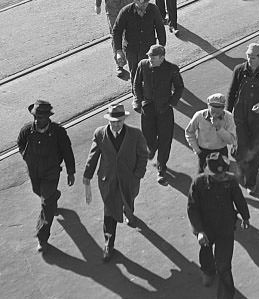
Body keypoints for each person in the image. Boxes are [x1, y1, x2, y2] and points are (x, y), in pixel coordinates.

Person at [83, 103, 150, 262]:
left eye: (118, 121)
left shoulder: (135, 134)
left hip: (129, 180)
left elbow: (142, 156)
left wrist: (137, 175)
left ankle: (128, 212)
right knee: (110, 211)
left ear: (124, 120)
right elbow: (93, 156)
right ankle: (108, 243)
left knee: (128, 200)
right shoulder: (100, 134)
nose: (115, 124)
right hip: (108, 180)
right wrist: (87, 175)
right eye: (112, 121)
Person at [16, 100, 75, 254]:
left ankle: (42, 237)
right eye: (35, 117)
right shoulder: (27, 130)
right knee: (39, 193)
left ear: (48, 117)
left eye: (41, 117)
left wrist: (71, 172)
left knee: (46, 205)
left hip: (51, 173)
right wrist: (26, 156)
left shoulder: (58, 132)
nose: (37, 120)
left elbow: (67, 151)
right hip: (34, 172)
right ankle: (54, 196)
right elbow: (20, 144)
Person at [186, 153, 250, 295]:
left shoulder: (230, 181)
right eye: (218, 175)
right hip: (206, 229)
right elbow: (192, 208)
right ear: (209, 173)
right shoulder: (198, 183)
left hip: (225, 228)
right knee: (206, 254)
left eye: (223, 174)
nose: (222, 178)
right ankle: (208, 272)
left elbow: (239, 199)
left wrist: (245, 217)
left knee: (224, 266)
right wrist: (199, 231)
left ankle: (227, 295)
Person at [226, 43, 259, 195]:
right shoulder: (239, 70)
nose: (250, 60)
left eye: (253, 57)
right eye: (248, 56)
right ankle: (240, 159)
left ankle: (251, 181)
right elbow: (232, 92)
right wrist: (227, 113)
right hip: (240, 115)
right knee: (242, 147)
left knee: (255, 150)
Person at [133, 44, 183, 185]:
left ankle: (162, 168)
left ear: (162, 57)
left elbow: (179, 87)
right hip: (148, 109)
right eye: (149, 56)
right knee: (147, 137)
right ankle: (152, 147)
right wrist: (139, 99)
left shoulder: (172, 69)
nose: (150, 59)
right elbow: (136, 84)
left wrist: (172, 102)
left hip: (164, 110)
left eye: (153, 57)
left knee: (165, 140)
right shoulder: (143, 65)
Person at [112, 0, 166, 83]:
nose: (145, 5)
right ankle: (136, 94)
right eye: (142, 3)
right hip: (131, 49)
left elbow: (160, 27)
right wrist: (119, 51)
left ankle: (149, 93)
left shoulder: (153, 10)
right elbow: (117, 31)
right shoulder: (125, 12)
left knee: (148, 71)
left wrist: (161, 45)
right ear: (135, 1)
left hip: (148, 48)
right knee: (135, 72)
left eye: (146, 2)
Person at [185, 93, 237, 173]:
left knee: (223, 178)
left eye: (218, 111)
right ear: (208, 106)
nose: (215, 114)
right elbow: (189, 132)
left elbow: (232, 140)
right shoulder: (199, 116)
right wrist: (197, 150)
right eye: (213, 111)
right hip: (204, 152)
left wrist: (219, 128)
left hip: (221, 152)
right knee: (203, 180)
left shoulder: (229, 117)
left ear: (223, 108)